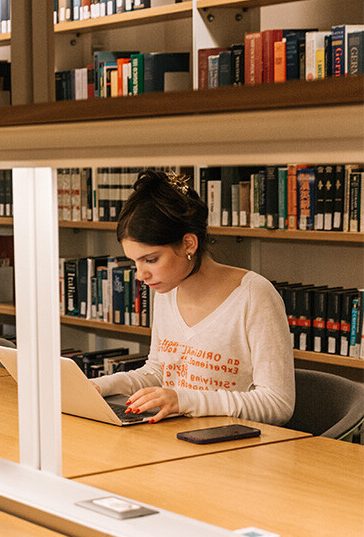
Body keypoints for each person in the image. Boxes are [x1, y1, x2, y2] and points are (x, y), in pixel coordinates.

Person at [90, 171, 294, 425]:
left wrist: (185, 400)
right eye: (134, 262)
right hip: (177, 438)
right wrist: (99, 386)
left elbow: (277, 403)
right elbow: (158, 372)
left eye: (150, 260)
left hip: (233, 448)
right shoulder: (166, 288)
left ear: (188, 244)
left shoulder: (254, 296)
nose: (141, 275)